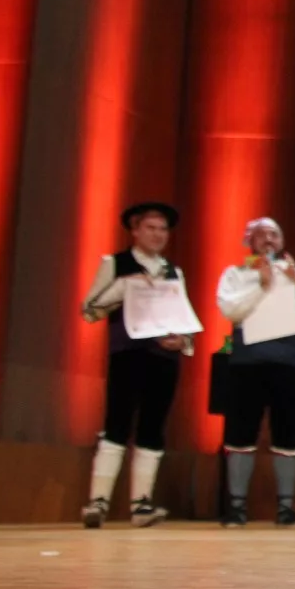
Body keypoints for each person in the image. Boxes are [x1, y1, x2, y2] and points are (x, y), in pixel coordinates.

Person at [215, 216, 295, 527]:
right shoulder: (235, 274)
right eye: (261, 235)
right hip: (246, 366)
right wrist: (261, 286)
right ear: (249, 241)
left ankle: (285, 508)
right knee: (240, 435)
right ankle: (237, 507)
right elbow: (230, 310)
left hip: (287, 366)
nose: (268, 240)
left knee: (287, 435)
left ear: (281, 242)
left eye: (274, 235)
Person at [79, 201, 194, 528]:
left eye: (163, 229)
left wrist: (183, 340)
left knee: (153, 426)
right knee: (116, 423)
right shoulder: (115, 263)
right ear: (135, 230)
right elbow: (90, 310)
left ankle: (141, 504)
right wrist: (124, 286)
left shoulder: (173, 271)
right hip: (128, 354)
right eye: (151, 228)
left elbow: (183, 316)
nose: (158, 235)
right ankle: (98, 501)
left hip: (164, 358)